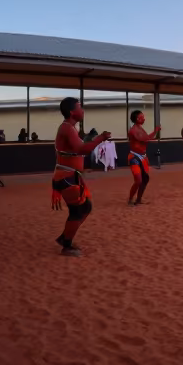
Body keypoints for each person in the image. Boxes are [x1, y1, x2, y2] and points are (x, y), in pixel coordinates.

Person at [51, 98, 111, 257]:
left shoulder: (70, 128)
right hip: (67, 176)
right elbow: (82, 149)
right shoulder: (67, 128)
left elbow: (79, 147)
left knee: (84, 208)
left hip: (70, 176)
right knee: (79, 211)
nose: (82, 110)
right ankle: (66, 244)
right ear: (72, 112)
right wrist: (100, 138)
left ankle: (65, 238)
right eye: (80, 107)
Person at [126, 110, 161, 206]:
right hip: (134, 157)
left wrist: (155, 132)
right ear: (137, 119)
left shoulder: (140, 129)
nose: (144, 118)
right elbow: (145, 139)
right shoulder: (133, 130)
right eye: (142, 117)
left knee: (145, 179)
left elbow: (147, 138)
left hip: (142, 157)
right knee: (138, 180)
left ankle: (138, 199)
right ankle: (130, 199)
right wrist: (156, 131)